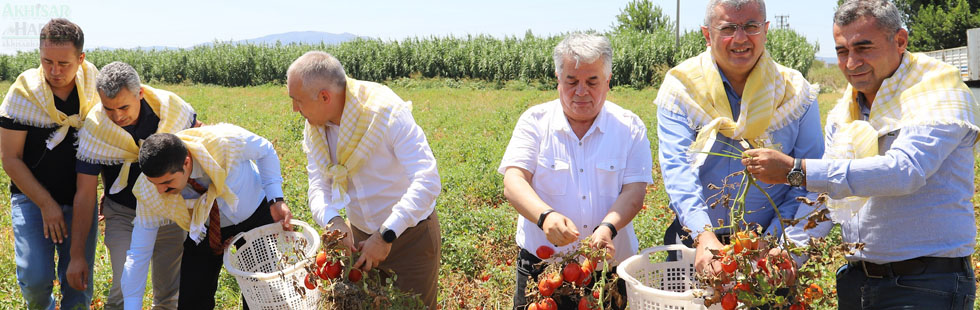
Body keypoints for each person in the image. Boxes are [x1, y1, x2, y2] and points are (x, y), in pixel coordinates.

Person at [744, 1, 978, 308]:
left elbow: (903, 171)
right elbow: (829, 194)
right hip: (859, 281)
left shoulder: (936, 92)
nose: (851, 62)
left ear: (900, 41)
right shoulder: (847, 109)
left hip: (925, 285)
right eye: (842, 51)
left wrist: (796, 170)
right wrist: (789, 251)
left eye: (863, 48)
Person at [654, 0, 823, 274]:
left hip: (771, 250)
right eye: (728, 28)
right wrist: (703, 235)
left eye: (751, 26)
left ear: (766, 30)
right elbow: (678, 171)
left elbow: (807, 178)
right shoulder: (682, 88)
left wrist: (773, 241)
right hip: (694, 244)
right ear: (707, 34)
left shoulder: (795, 93)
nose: (741, 38)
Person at [499, 32, 652, 310]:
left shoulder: (629, 127)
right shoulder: (534, 122)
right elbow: (514, 181)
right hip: (544, 267)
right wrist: (545, 217)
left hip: (607, 267)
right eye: (571, 81)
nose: (581, 91)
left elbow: (634, 191)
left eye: (592, 81)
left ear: (608, 81)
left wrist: (608, 227)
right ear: (558, 80)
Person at [286, 51, 442, 309]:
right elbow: (318, 185)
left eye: (297, 100)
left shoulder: (385, 112)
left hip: (410, 238)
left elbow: (427, 180)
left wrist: (384, 236)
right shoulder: (315, 129)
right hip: (359, 241)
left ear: (325, 97)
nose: (294, 109)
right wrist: (335, 221)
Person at [69, 61, 201, 309]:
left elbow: (199, 150)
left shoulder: (170, 110)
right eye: (109, 109)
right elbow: (85, 192)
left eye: (123, 107)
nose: (117, 116)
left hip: (169, 210)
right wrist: (76, 255)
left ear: (140, 93)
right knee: (122, 287)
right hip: (122, 213)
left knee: (169, 294)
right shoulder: (95, 127)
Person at [121, 124, 293, 310]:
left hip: (253, 214)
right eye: (154, 184)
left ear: (186, 163)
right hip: (202, 228)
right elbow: (139, 253)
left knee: (261, 294)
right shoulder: (150, 191)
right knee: (192, 299)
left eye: (167, 182)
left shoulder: (223, 141)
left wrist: (276, 199)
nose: (161, 191)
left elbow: (265, 150)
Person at [0, 18, 100, 309]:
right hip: (31, 198)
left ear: (81, 59)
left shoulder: (94, 87)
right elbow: (10, 158)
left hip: (80, 196)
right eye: (47, 61)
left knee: (78, 285)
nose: (54, 71)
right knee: (34, 279)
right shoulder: (22, 94)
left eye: (64, 63)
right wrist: (46, 204)